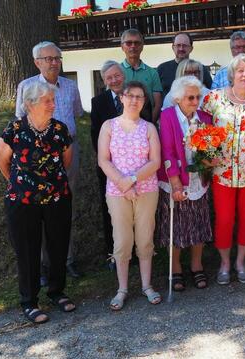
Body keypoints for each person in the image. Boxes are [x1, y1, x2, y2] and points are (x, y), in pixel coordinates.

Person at [0, 81, 76, 324]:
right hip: (22, 201)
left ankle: (57, 292)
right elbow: (2, 161)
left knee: (58, 246)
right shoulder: (15, 129)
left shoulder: (60, 129)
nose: (53, 104)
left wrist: (51, 184)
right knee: (27, 250)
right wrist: (20, 185)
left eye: (53, 100)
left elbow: (67, 160)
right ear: (30, 104)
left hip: (57, 198)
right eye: (47, 101)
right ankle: (29, 302)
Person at [15, 41, 84, 281]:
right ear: (37, 62)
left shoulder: (71, 86)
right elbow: (21, 120)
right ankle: (45, 265)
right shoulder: (26, 86)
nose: (54, 63)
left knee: (66, 207)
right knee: (40, 209)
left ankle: (67, 260)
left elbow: (77, 114)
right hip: (38, 156)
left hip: (68, 150)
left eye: (57, 58)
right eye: (48, 59)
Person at [202, 54, 245, 285]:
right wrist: (208, 158)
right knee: (225, 219)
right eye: (240, 70)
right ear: (231, 75)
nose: (244, 74)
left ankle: (240, 262)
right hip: (222, 171)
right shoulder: (213, 99)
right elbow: (201, 130)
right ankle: (225, 263)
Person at [97, 81, 162, 309]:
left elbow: (155, 161)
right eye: (130, 95)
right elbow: (103, 159)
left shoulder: (149, 128)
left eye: (139, 97)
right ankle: (122, 289)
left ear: (144, 101)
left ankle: (146, 286)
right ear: (122, 98)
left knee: (145, 239)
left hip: (146, 189)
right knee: (122, 241)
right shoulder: (109, 126)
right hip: (117, 192)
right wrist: (123, 183)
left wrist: (132, 179)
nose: (134, 100)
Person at [156, 76, 213, 291]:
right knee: (176, 226)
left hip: (198, 181)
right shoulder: (167, 117)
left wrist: (211, 158)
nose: (195, 101)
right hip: (175, 180)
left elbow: (209, 150)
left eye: (198, 97)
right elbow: (168, 152)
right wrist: (176, 185)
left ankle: (196, 264)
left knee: (199, 223)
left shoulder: (205, 118)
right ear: (178, 98)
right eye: (190, 97)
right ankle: (175, 267)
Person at [91, 60, 125, 270]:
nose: (114, 80)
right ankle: (113, 253)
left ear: (123, 75)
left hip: (136, 167)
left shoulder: (136, 95)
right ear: (104, 81)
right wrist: (109, 164)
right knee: (110, 211)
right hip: (110, 167)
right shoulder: (99, 102)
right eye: (109, 78)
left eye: (117, 75)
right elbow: (96, 135)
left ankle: (136, 252)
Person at [120, 28, 162, 122]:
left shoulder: (152, 73)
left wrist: (149, 124)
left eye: (137, 43)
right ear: (122, 47)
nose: (133, 46)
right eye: (129, 43)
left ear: (142, 46)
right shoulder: (116, 72)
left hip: (147, 124)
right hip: (121, 125)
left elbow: (157, 103)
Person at [157, 32, 212, 100]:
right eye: (178, 45)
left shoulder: (201, 69)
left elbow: (210, 93)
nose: (181, 48)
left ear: (191, 48)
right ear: (173, 47)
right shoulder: (162, 69)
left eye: (185, 45)